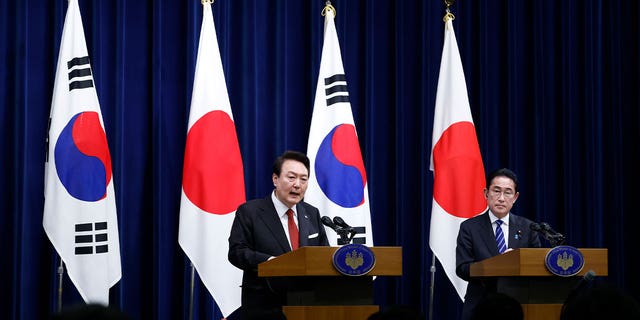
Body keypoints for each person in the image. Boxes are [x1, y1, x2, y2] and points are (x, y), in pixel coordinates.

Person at [228, 150, 330, 319]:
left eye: (303, 179)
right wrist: (270, 263)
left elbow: (322, 252)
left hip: (306, 306)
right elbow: (237, 252)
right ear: (275, 179)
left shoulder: (311, 213)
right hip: (264, 307)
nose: (297, 184)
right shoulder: (250, 211)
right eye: (291, 177)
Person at [456, 168, 541, 320]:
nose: (501, 198)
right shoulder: (469, 227)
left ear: (515, 197)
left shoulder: (528, 227)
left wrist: (517, 261)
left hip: (519, 305)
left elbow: (537, 265)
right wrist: (500, 263)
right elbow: (462, 268)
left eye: (508, 192)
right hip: (481, 306)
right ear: (486, 193)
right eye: (496, 191)